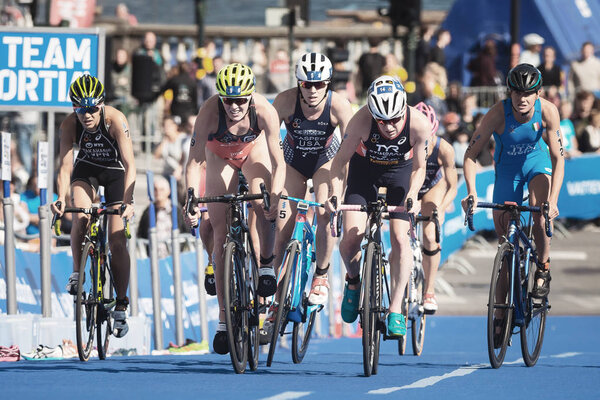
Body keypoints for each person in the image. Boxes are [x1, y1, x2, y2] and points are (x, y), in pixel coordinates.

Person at [184, 63, 285, 354]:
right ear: (221, 98)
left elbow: (278, 163)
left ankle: (265, 263)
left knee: (261, 200)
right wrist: (190, 199)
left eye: (241, 100)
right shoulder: (208, 112)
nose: (235, 106)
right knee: (218, 226)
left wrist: (275, 195)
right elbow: (193, 162)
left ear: (251, 97)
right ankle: (224, 320)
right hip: (220, 157)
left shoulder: (264, 111)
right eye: (229, 100)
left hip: (254, 152)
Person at [461, 64, 564, 346]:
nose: (522, 98)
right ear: (510, 92)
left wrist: (552, 202)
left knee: (540, 213)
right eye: (517, 92)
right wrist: (471, 192)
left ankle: (542, 267)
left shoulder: (549, 111)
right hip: (507, 173)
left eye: (528, 93)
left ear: (537, 94)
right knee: (506, 249)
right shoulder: (497, 114)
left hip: (537, 165)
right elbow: (470, 156)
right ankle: (500, 313)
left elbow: (558, 159)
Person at [327, 75, 432, 337]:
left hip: (401, 173)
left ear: (404, 110)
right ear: (373, 114)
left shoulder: (419, 124)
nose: (389, 127)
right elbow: (339, 164)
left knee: (400, 238)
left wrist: (414, 195)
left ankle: (395, 309)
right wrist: (335, 194)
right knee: (351, 239)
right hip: (365, 173)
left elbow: (420, 168)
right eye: (382, 121)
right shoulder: (360, 120)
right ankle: (353, 281)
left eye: (395, 119)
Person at [51, 74, 136, 338]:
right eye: (80, 109)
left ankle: (121, 302)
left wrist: (128, 202)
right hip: (86, 170)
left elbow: (131, 164)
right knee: (81, 214)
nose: (86, 115)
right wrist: (60, 198)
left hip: (115, 173)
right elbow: (65, 167)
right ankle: (77, 273)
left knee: (117, 239)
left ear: (100, 105)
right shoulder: (69, 125)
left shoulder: (115, 120)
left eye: (91, 108)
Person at [270, 52, 353, 311]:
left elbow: (349, 153)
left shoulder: (339, 105)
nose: (314, 90)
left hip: (325, 162)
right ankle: (272, 294)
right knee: (281, 230)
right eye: (308, 84)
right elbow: (266, 142)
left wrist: (341, 191)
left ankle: (321, 274)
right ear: (299, 84)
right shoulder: (284, 102)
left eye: (320, 84)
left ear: (328, 83)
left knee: (323, 210)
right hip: (293, 163)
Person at [414, 103, 458, 313]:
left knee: (430, 235)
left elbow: (452, 187)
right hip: (412, 183)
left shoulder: (444, 149)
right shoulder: (406, 143)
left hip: (434, 185)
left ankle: (429, 291)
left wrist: (441, 207)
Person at [137, 175, 184, 258]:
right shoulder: (148, 212)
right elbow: (141, 234)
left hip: (175, 257)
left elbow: (186, 232)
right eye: (155, 189)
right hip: (154, 258)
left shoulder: (177, 210)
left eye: (162, 189)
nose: (158, 192)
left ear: (169, 191)